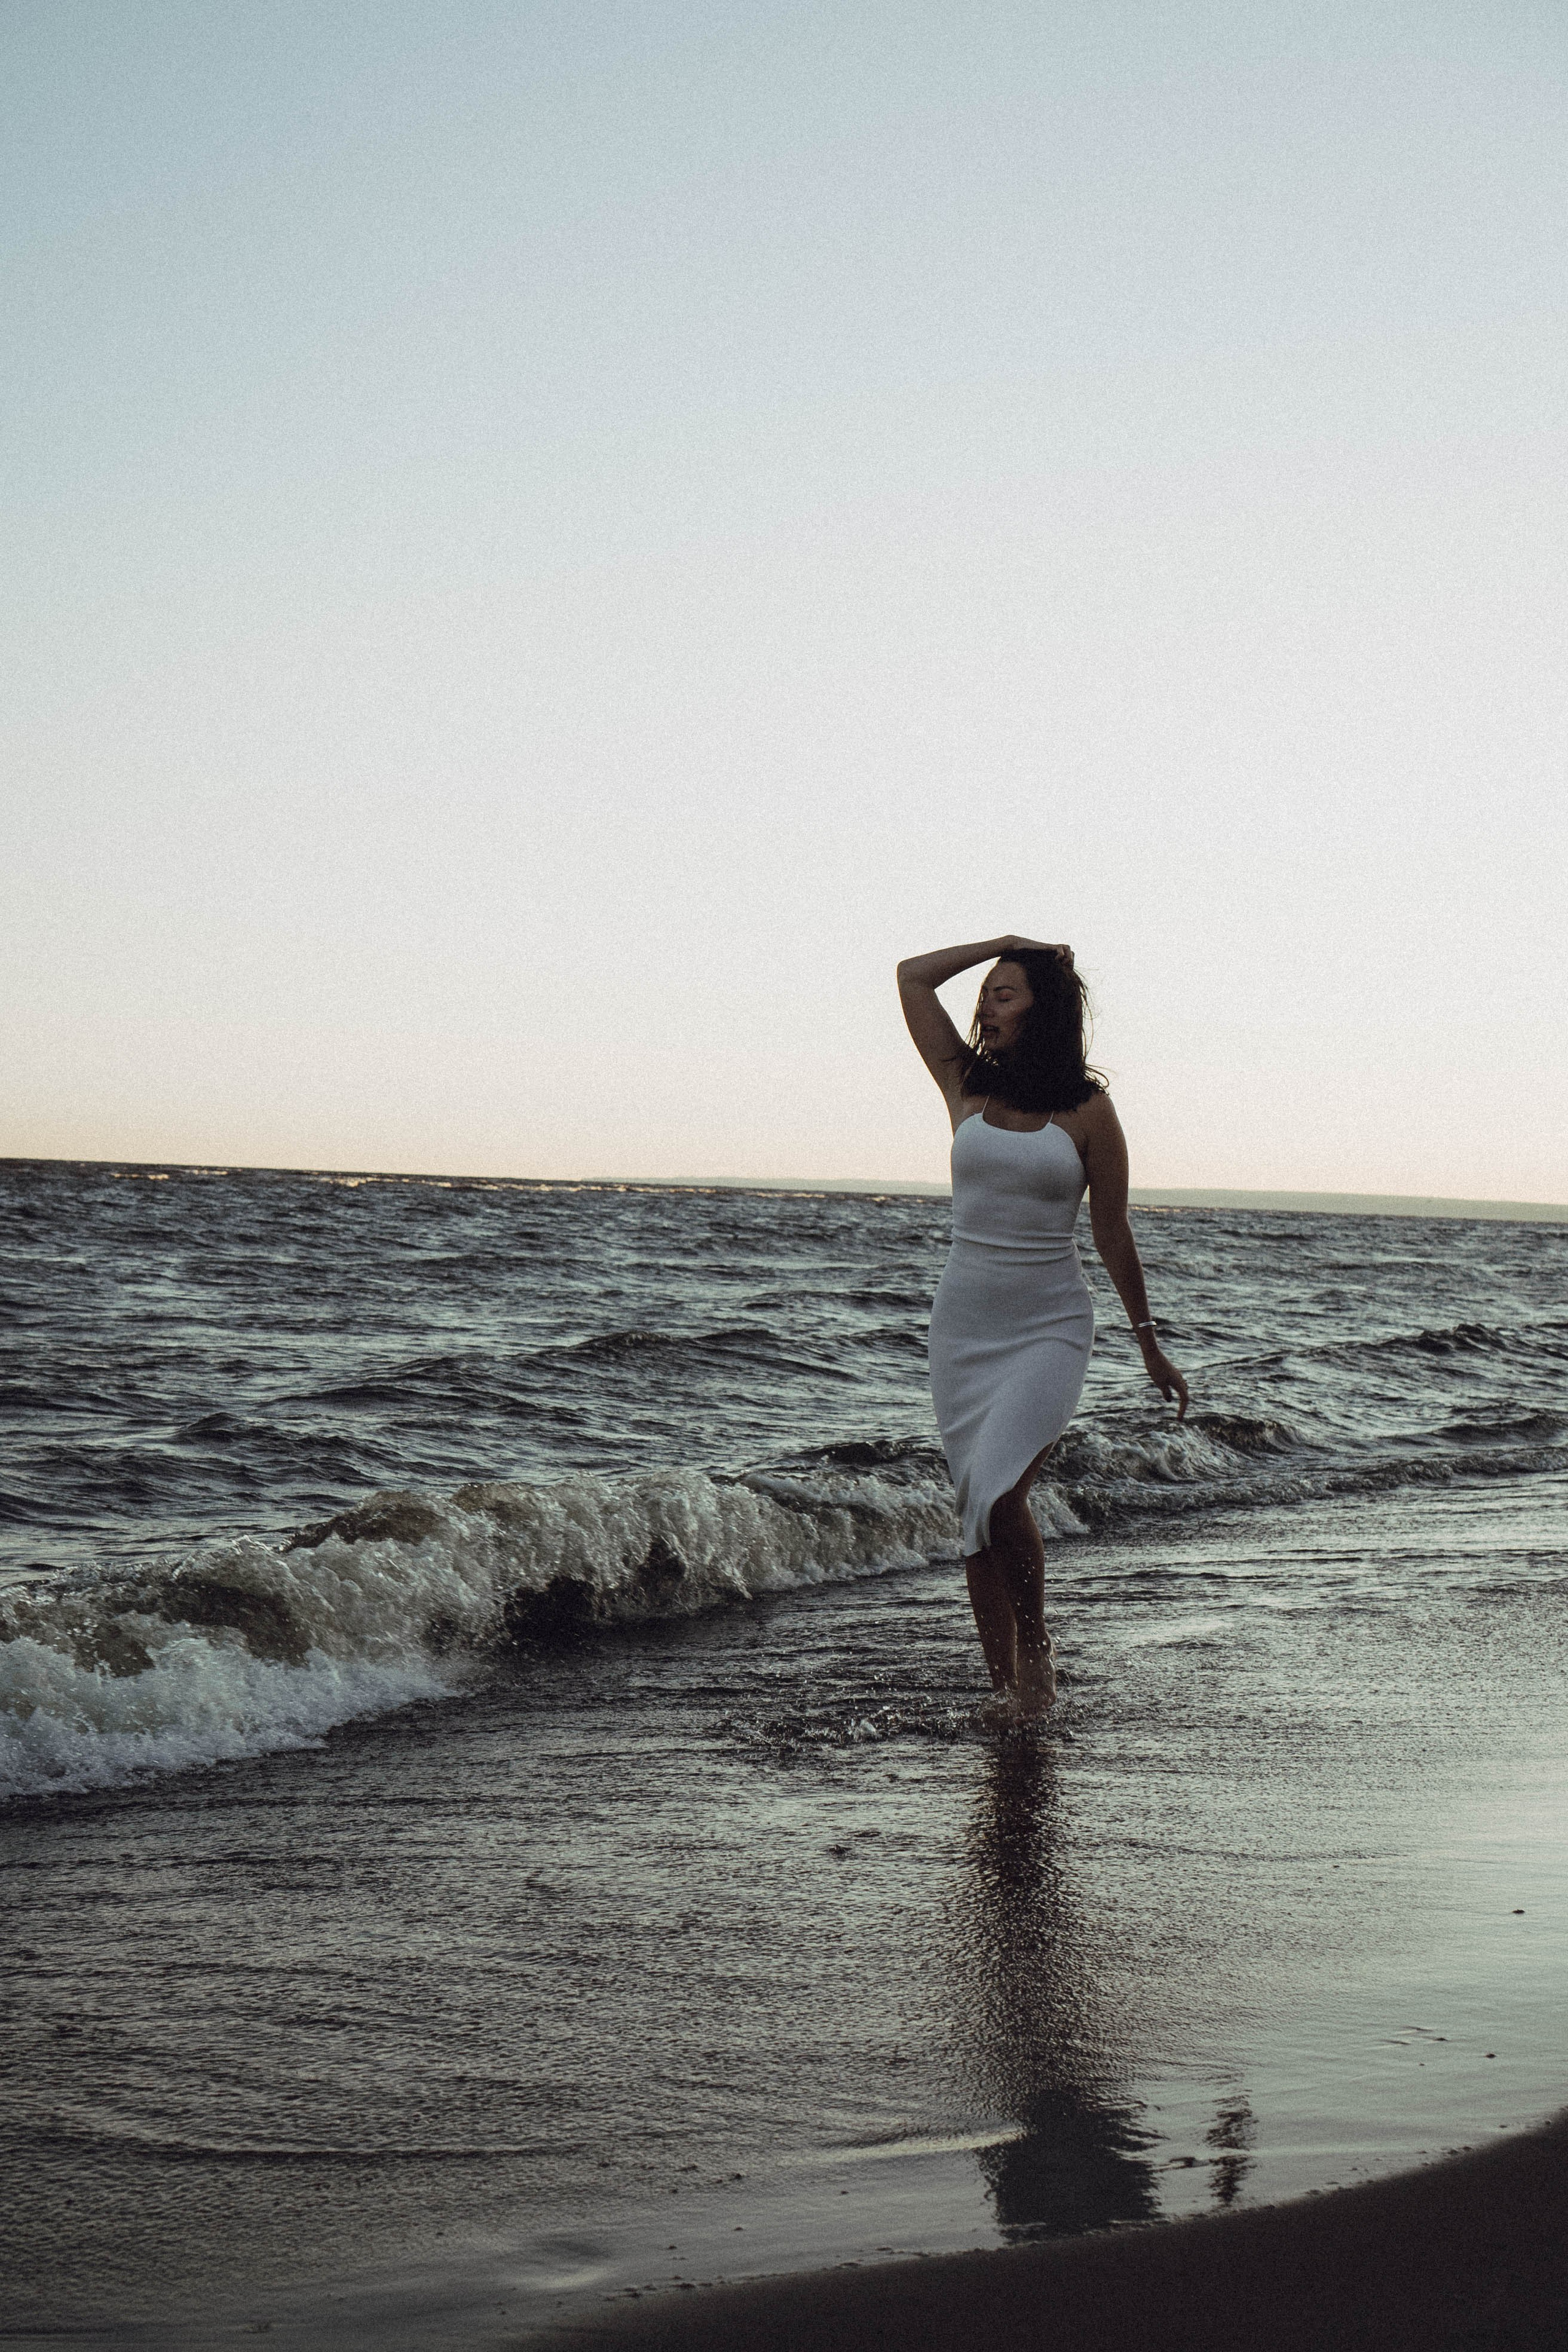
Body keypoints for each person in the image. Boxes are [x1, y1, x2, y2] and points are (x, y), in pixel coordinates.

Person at [897, 935, 1189, 1722]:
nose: (986, 1004)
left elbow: (1113, 1233)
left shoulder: (1089, 1111)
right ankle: (1004, 1694)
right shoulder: (964, 1084)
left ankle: (1037, 1650)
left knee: (998, 1498)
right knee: (974, 1511)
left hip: (1050, 1325)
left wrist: (1148, 1343)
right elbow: (913, 977)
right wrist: (1007, 945)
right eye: (987, 993)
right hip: (963, 1329)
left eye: (1005, 992)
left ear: (1043, 1010)